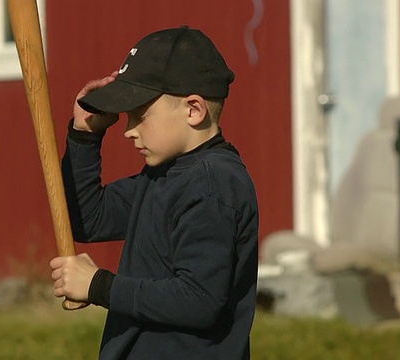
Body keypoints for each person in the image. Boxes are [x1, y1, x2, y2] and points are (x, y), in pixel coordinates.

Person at [50, 26, 259, 359]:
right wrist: (84, 136)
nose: (129, 130)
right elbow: (90, 219)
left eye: (140, 116)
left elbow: (198, 300)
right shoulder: (165, 177)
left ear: (194, 110)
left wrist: (100, 286)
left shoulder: (211, 185)